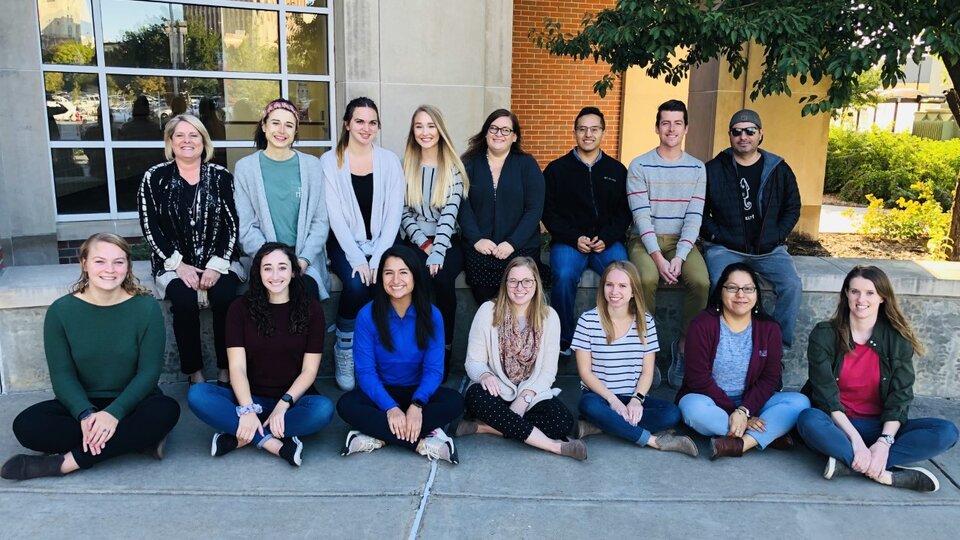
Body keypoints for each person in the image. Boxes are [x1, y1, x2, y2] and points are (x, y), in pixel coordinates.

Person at [1, 233, 180, 481]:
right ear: (84, 264)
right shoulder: (61, 311)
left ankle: (62, 464)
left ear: (128, 266)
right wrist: (85, 414)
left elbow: (149, 373)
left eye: (118, 261)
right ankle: (136, 441)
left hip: (134, 402)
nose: (110, 269)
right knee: (27, 426)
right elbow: (62, 375)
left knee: (166, 411)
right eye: (100, 261)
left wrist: (114, 413)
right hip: (81, 404)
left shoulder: (145, 308)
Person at [796, 265, 959, 492]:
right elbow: (825, 396)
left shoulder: (897, 340)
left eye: (870, 293)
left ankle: (850, 464)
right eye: (855, 291)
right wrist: (856, 442)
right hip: (837, 425)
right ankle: (888, 474)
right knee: (808, 419)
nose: (861, 299)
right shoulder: (824, 334)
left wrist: (883, 442)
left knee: (946, 432)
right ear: (846, 294)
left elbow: (900, 398)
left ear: (882, 297)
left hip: (880, 425)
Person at [187, 243, 335, 467]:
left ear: (294, 271)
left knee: (323, 410)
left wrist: (284, 404)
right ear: (258, 272)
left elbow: (310, 370)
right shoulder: (239, 308)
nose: (275, 275)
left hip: (292, 402)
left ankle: (238, 438)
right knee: (198, 394)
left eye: (282, 268)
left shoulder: (311, 309)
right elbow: (236, 367)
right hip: (248, 397)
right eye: (267, 268)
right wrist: (247, 409)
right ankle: (273, 443)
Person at [139, 114, 244, 385]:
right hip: (173, 262)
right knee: (184, 302)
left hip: (219, 258)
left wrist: (216, 265)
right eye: (180, 136)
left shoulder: (220, 176)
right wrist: (178, 264)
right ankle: (194, 373)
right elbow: (150, 227)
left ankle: (225, 370)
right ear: (170, 141)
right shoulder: (155, 177)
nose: (187, 141)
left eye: (193, 135)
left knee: (226, 299)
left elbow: (232, 224)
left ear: (203, 141)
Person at [337, 246, 464, 464]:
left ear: (415, 275)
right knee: (346, 405)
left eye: (403, 272)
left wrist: (416, 405)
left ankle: (378, 436)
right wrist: (391, 408)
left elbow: (434, 370)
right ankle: (423, 442)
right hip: (381, 394)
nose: (396, 280)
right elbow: (365, 373)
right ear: (381, 277)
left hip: (417, 392)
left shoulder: (432, 315)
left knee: (455, 402)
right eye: (389, 273)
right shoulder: (367, 315)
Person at [676, 262, 809, 459]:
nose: (740, 294)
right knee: (692, 408)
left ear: (756, 294)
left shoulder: (769, 328)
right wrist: (739, 413)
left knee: (800, 402)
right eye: (732, 288)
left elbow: (769, 379)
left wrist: (745, 409)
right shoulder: (702, 324)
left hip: (752, 401)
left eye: (748, 289)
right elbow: (698, 378)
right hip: (710, 401)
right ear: (721, 291)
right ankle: (766, 434)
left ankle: (740, 443)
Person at [458, 257, 585, 460]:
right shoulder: (487, 311)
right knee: (475, 397)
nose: (520, 287)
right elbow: (473, 361)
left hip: (531, 390)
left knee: (563, 422)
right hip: (496, 389)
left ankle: (484, 427)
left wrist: (525, 398)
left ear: (536, 283)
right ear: (505, 284)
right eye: (513, 281)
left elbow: (548, 371)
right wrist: (484, 375)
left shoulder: (549, 317)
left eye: (527, 281)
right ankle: (552, 446)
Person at [321, 97, 404, 392]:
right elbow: (335, 218)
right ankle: (344, 348)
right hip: (345, 243)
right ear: (347, 124)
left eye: (372, 122)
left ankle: (378, 353)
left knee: (389, 283)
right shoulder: (330, 161)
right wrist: (358, 258)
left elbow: (395, 212)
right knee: (357, 285)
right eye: (359, 121)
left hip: (384, 242)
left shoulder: (390, 161)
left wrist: (379, 256)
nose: (366, 128)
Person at [573, 261, 698, 457]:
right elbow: (585, 372)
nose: (615, 291)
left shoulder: (645, 321)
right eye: (609, 284)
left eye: (623, 286)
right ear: (603, 287)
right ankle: (652, 440)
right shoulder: (588, 320)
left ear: (633, 291)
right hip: (601, 397)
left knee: (672, 413)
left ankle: (601, 426)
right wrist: (613, 401)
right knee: (588, 406)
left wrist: (636, 400)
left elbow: (647, 371)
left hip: (632, 395)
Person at [701, 109, 801, 350]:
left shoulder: (779, 168)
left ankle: (777, 348)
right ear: (730, 135)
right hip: (726, 248)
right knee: (716, 281)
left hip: (769, 249)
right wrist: (718, 236)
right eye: (737, 132)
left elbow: (793, 206)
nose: (743, 136)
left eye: (749, 131)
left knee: (792, 286)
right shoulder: (714, 169)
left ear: (760, 134)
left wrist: (777, 235)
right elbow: (700, 212)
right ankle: (722, 342)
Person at [626, 100, 709, 389]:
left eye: (677, 123)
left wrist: (681, 255)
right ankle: (645, 350)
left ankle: (684, 346)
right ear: (657, 127)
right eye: (665, 123)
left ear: (686, 128)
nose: (671, 129)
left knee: (701, 282)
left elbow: (694, 216)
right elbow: (641, 215)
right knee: (646, 277)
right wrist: (659, 259)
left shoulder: (697, 168)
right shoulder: (639, 165)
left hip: (681, 241)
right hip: (645, 240)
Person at [542, 106, 630, 358]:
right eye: (582, 129)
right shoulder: (557, 170)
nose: (588, 134)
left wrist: (607, 237)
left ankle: (617, 335)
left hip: (607, 241)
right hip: (570, 242)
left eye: (594, 129)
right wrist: (573, 238)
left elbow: (625, 211)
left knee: (623, 277)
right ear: (574, 132)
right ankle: (564, 339)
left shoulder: (616, 170)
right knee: (564, 274)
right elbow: (548, 213)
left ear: (603, 132)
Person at [235, 98, 331, 304]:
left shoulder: (312, 166)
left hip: (305, 258)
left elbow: (320, 221)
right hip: (266, 260)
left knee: (307, 297)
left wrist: (302, 261)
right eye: (275, 123)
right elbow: (246, 227)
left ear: (296, 131)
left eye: (289, 125)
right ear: (264, 125)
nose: (282, 130)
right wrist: (274, 263)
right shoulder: (246, 168)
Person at [400, 105, 469, 379]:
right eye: (419, 126)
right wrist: (424, 246)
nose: (425, 132)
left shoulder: (452, 168)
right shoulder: (405, 166)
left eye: (430, 126)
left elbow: (450, 215)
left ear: (439, 130)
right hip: (415, 238)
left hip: (448, 241)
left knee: (442, 281)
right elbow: (402, 212)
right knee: (412, 280)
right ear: (413, 131)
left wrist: (437, 251)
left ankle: (443, 350)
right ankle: (412, 351)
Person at [459, 109, 545, 303]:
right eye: (494, 128)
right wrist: (477, 239)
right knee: (488, 309)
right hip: (481, 248)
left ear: (514, 136)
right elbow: (462, 206)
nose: (499, 134)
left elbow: (534, 209)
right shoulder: (469, 164)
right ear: (486, 132)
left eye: (506, 130)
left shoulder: (527, 164)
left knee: (520, 302)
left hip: (519, 248)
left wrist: (512, 243)